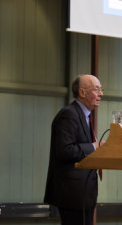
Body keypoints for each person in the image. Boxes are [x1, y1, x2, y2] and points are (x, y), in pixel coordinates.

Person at [44, 74, 105, 225]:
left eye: (101, 89)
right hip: (72, 193)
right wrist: (94, 146)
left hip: (84, 193)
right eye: (96, 89)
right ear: (82, 92)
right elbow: (65, 151)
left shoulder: (84, 116)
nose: (101, 94)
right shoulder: (69, 114)